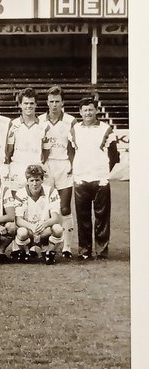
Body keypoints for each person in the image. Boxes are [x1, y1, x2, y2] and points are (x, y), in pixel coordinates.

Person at [70, 96, 119, 260]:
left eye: (91, 109)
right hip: (81, 179)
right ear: (80, 112)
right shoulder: (75, 129)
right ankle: (84, 250)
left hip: (100, 179)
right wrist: (77, 170)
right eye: (85, 110)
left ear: (96, 110)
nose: (88, 113)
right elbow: (71, 152)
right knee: (83, 217)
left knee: (102, 217)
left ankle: (101, 250)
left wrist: (103, 172)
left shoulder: (106, 129)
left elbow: (114, 156)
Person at [40, 85, 77, 257]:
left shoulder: (71, 121)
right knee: (44, 208)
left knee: (64, 208)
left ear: (63, 102)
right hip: (46, 167)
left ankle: (67, 247)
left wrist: (72, 165)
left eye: (57, 101)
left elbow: (74, 147)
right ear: (47, 103)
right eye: (51, 101)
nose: (54, 105)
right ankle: (38, 244)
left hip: (64, 166)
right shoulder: (40, 120)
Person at [11, 164, 64, 265]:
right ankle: (24, 252)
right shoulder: (20, 194)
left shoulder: (51, 192)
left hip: (45, 230)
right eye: (31, 180)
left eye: (37, 180)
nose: (34, 184)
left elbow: (56, 218)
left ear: (42, 180)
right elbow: (18, 219)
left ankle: (50, 252)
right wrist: (31, 227)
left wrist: (44, 224)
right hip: (29, 230)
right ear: (27, 181)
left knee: (58, 229)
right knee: (21, 232)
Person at [6, 88, 48, 193]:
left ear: (36, 104)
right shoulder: (13, 125)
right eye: (25, 103)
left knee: (36, 204)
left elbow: (46, 151)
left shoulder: (44, 126)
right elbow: (9, 150)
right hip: (17, 168)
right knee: (16, 204)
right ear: (20, 104)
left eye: (31, 103)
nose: (28, 106)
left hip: (36, 168)